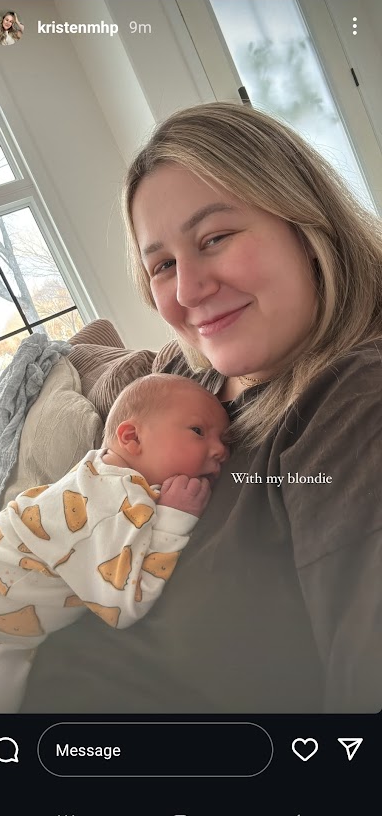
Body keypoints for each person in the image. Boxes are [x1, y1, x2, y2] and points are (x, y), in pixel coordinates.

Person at [20, 101, 382, 715]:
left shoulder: (354, 403)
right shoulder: (188, 375)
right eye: (162, 265)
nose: (187, 290)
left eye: (215, 238)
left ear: (307, 225)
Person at [0, 372, 229, 712]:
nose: (221, 450)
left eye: (224, 439)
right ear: (131, 437)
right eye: (198, 431)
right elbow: (123, 604)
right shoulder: (114, 500)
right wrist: (175, 517)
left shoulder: (96, 471)